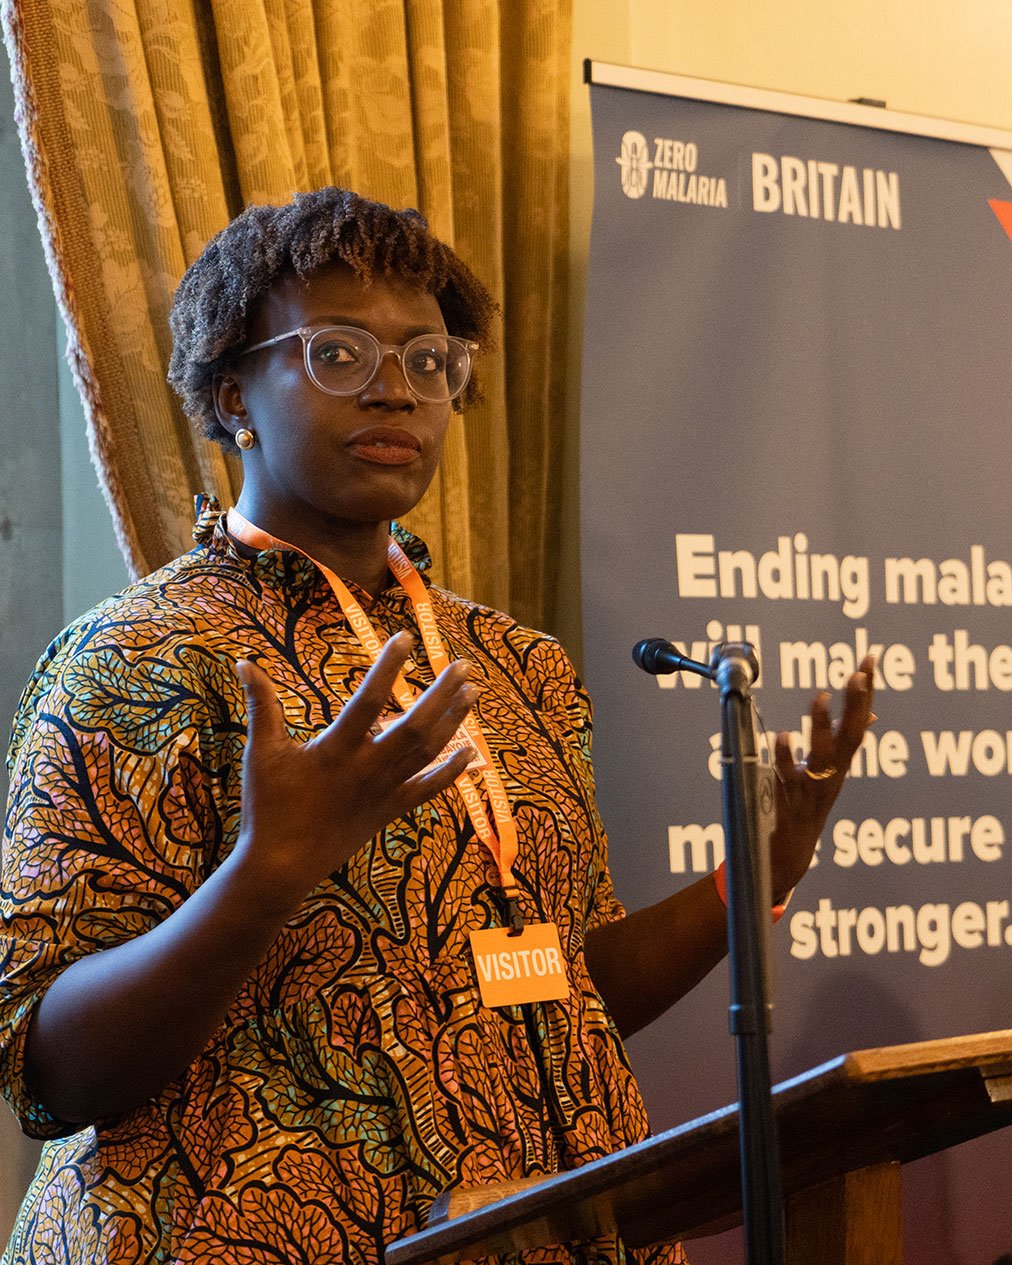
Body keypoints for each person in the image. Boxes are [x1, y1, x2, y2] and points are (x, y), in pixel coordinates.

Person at [0, 187, 874, 1265]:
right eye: (338, 353)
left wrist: (754, 874)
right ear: (233, 393)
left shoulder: (516, 664)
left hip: (545, 1231)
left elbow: (558, 990)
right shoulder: (136, 660)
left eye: (427, 360)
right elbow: (48, 1069)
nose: (394, 391)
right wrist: (263, 877)